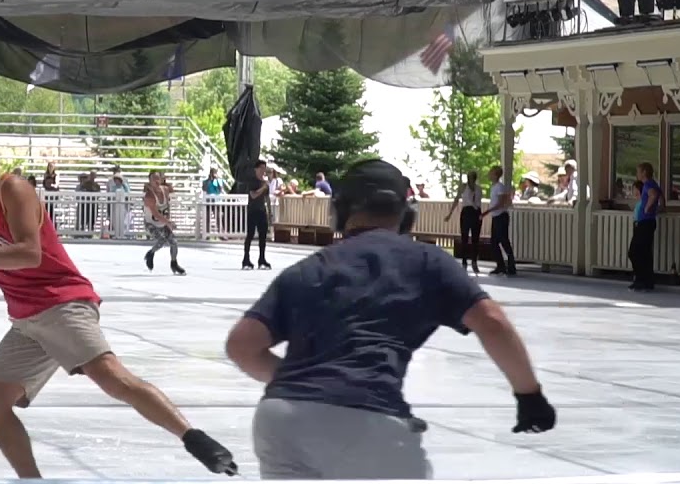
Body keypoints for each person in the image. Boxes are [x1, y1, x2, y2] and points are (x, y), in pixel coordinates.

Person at [0, 140, 237, 479]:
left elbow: (30, 254)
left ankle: (194, 438)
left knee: (111, 378)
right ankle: (33, 481)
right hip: (27, 320)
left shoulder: (12, 190)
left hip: (63, 301)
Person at [224, 159, 556, 480]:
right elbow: (492, 322)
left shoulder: (307, 269)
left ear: (338, 212)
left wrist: (300, 384)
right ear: (407, 215)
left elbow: (242, 346)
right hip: (367, 417)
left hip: (280, 422)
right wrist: (529, 395)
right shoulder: (426, 261)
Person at [143, 171, 186, 275]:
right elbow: (156, 214)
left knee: (174, 242)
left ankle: (174, 263)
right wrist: (168, 222)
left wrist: (167, 222)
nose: (156, 181)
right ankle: (150, 253)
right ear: (150, 181)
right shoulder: (149, 196)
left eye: (158, 178)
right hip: (151, 222)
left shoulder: (165, 190)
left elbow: (167, 206)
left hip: (163, 221)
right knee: (161, 240)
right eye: (154, 179)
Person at [629, 162, 661, 292]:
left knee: (635, 251)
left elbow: (654, 195)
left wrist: (648, 207)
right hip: (646, 221)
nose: (637, 174)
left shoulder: (648, 184)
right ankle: (646, 280)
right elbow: (661, 198)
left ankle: (641, 279)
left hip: (645, 222)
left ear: (644, 172)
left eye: (638, 171)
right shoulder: (652, 184)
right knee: (644, 252)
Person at [445, 170, 482, 274]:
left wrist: (480, 214)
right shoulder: (463, 187)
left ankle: (474, 261)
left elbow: (478, 202)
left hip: (476, 212)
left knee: (475, 238)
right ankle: (464, 262)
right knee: (464, 237)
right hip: (466, 211)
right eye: (469, 177)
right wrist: (450, 214)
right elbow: (457, 199)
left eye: (472, 177)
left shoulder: (479, 189)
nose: (471, 179)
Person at [483, 165, 516, 276]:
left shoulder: (500, 187)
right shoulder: (493, 187)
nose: (489, 174)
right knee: (494, 242)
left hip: (501, 216)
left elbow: (501, 203)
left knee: (504, 241)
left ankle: (511, 266)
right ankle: (500, 266)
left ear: (496, 174)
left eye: (491, 173)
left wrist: (487, 211)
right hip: (496, 216)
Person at [241, 160, 271, 270]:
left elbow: (267, 199)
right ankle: (246, 259)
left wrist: (269, 212)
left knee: (262, 236)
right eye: (261, 168)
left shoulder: (265, 182)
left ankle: (262, 259)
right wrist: (263, 187)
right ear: (256, 169)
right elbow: (253, 195)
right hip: (252, 210)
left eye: (264, 168)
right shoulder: (252, 182)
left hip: (262, 211)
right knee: (250, 235)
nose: (263, 170)